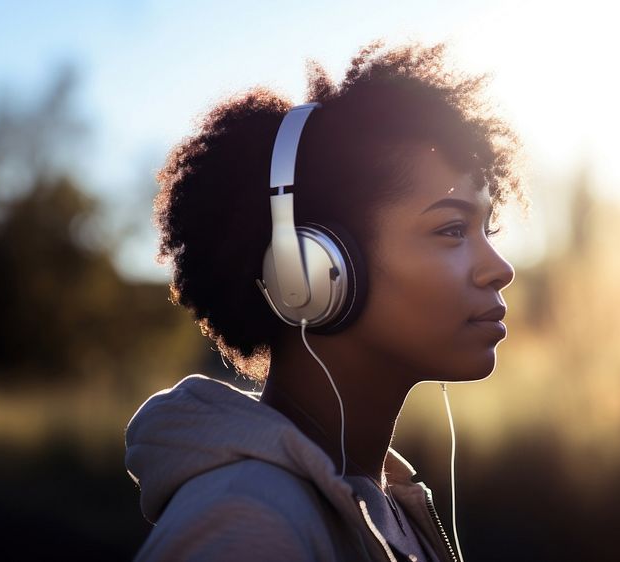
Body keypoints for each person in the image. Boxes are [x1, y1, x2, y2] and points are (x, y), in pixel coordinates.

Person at [124, 40, 524, 562]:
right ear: (308, 271)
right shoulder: (245, 527)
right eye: (451, 230)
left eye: (486, 229)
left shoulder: (383, 499)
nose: (501, 268)